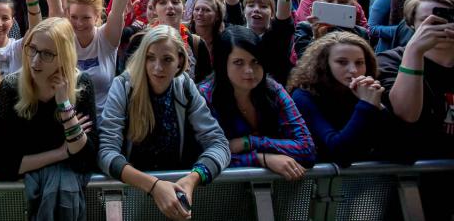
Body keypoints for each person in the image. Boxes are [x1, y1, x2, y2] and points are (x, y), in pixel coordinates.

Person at [99, 25, 230, 220]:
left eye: (167, 59)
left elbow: (219, 144)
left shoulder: (185, 86)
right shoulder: (124, 86)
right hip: (131, 194)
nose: (157, 67)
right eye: (150, 58)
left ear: (179, 62)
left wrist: (192, 179)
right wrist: (154, 186)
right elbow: (106, 153)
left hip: (178, 196)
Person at [0, 18, 98, 221]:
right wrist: (61, 153)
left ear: (64, 57)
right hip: (16, 203)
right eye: (32, 49)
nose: (35, 60)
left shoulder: (82, 85)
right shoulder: (11, 88)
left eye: (47, 54)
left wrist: (65, 106)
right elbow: (0, 165)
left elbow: (85, 160)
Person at [198, 26, 315, 179]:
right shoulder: (205, 97)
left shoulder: (273, 90)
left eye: (255, 61)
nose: (249, 70)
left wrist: (249, 142)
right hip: (223, 192)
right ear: (222, 64)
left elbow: (306, 149)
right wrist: (261, 159)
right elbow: (205, 157)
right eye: (238, 62)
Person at [288, 32, 388, 165]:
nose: (353, 70)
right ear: (324, 64)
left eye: (359, 63)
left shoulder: (367, 91)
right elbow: (339, 152)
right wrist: (366, 105)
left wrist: (380, 108)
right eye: (342, 62)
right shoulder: (304, 95)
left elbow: (405, 150)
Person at [377, 0, 454, 160]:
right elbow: (406, 114)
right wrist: (414, 51)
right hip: (414, 176)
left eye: (448, 17)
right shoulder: (389, 61)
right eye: (428, 20)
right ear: (412, 25)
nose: (440, 25)